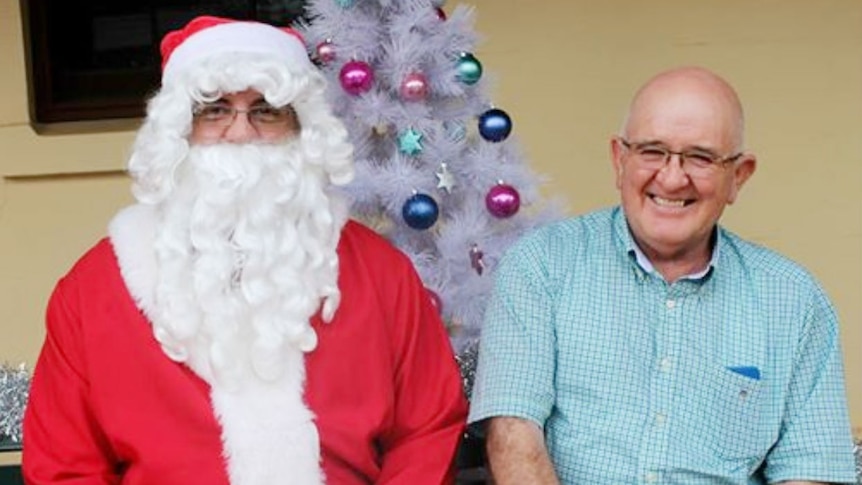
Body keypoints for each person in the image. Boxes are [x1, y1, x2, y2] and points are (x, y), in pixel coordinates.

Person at [22, 16, 467, 485]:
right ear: (178, 130)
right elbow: (64, 466)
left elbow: (428, 428)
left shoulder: (378, 272)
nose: (240, 132)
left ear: (300, 130)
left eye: (266, 110)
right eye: (214, 110)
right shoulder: (93, 291)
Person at [468, 66, 857, 484]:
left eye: (701, 157)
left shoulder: (795, 301)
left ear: (738, 177)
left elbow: (807, 472)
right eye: (652, 151)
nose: (672, 178)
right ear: (619, 160)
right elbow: (514, 435)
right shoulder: (541, 265)